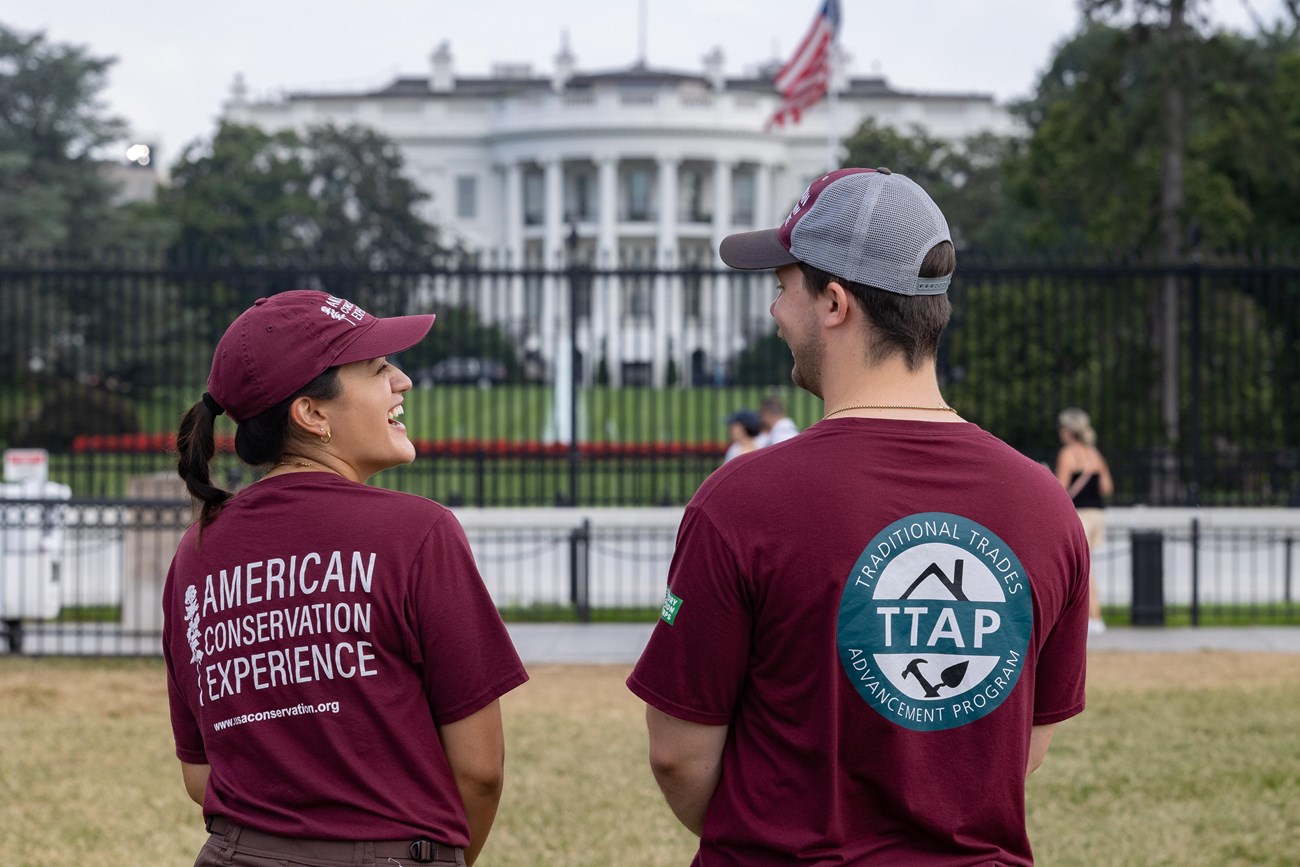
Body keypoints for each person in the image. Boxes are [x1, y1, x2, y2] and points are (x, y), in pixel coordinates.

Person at [627, 167, 1090, 865]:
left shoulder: (743, 501)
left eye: (783, 287)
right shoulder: (1044, 505)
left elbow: (678, 755)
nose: (776, 311)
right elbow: (1018, 749)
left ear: (835, 302)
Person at [162, 290, 528, 867]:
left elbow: (199, 772)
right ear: (312, 414)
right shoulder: (418, 532)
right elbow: (480, 770)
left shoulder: (196, 551)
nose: (402, 380)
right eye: (379, 368)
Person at [1055, 407, 1115, 635]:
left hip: (1081, 515)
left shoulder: (1068, 454)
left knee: (1084, 569)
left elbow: (1061, 489)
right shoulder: (1094, 455)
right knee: (1087, 565)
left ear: (1068, 431)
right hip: (1098, 514)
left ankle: (1094, 617)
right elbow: (1107, 487)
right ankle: (1092, 616)